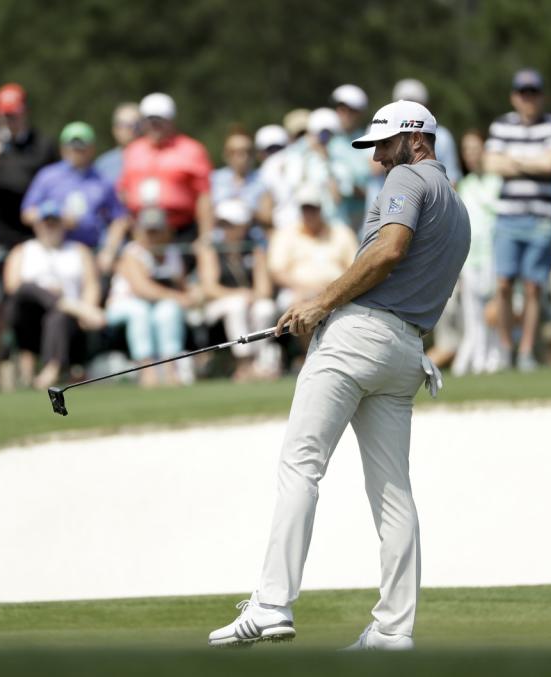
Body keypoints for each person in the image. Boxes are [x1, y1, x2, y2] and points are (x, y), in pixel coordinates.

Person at [208, 101, 470, 650]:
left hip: (357, 340)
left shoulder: (408, 175)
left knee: (301, 464)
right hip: (405, 355)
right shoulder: (460, 208)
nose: (376, 157)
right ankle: (395, 630)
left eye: (382, 143)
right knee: (394, 493)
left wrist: (320, 301)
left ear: (415, 138)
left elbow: (390, 250)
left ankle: (272, 604)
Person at [0, 83, 59, 387]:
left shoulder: (42, 146)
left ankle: (31, 372)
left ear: (25, 113)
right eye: (3, 116)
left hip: (31, 240)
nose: (8, 122)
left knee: (28, 305)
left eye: (14, 115)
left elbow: (53, 187)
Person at [485, 68, 551, 371]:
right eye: (523, 93)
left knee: (534, 287)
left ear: (541, 96)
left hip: (542, 217)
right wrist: (534, 163)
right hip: (508, 217)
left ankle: (526, 351)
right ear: (514, 97)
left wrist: (515, 161)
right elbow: (491, 163)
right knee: (504, 284)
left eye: (533, 93)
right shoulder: (501, 125)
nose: (528, 98)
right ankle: (507, 348)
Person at [3, 201, 105, 390]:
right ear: (37, 225)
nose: (50, 227)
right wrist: (57, 298)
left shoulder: (79, 251)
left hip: (69, 322)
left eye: (54, 222)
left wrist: (86, 306)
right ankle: (64, 303)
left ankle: (51, 369)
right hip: (29, 319)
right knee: (27, 288)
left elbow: (91, 285)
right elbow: (13, 287)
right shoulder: (22, 251)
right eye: (45, 223)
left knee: (58, 314)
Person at [21, 121, 129, 273]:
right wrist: (57, 217)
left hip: (92, 252)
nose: (77, 151)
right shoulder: (48, 176)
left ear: (92, 149)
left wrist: (109, 251)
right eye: (72, 146)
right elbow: (27, 212)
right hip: (55, 250)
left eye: (82, 147)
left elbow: (120, 219)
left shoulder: (102, 181)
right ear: (63, 148)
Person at [105, 208, 195, 387]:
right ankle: (147, 370)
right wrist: (179, 297)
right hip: (123, 304)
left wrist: (192, 294)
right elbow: (142, 289)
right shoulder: (132, 252)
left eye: (157, 230)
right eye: (149, 231)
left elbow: (182, 285)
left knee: (168, 310)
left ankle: (170, 368)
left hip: (157, 305)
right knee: (140, 311)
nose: (152, 236)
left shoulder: (172, 253)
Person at [117, 93, 214, 254]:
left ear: (171, 121)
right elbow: (124, 191)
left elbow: (204, 195)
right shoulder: (133, 150)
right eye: (150, 121)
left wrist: (206, 236)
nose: (155, 126)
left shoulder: (192, 150)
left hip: (181, 231)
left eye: (159, 122)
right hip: (141, 231)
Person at [197, 199, 278, 381]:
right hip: (216, 308)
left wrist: (250, 296)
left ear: (243, 226)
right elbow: (209, 289)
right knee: (237, 305)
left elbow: (264, 289)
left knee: (265, 307)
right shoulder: (211, 248)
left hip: (248, 302)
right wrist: (240, 295)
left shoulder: (254, 249)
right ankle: (244, 364)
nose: (226, 230)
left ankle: (259, 363)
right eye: (223, 224)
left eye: (230, 225)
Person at [366, 79, 463, 215]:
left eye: (414, 102)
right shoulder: (378, 126)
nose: (378, 156)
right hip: (379, 214)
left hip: (417, 215)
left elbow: (452, 181)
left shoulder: (443, 136)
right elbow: (373, 167)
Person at [452, 130, 502, 376]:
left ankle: (494, 357)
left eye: (475, 149)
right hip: (470, 257)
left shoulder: (497, 182)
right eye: (467, 150)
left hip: (494, 254)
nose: (471, 155)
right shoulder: (464, 185)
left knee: (493, 311)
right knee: (472, 315)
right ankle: (478, 360)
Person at [267, 184, 358, 312]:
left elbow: (354, 268)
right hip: (296, 291)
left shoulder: (341, 232)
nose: (309, 213)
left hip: (337, 292)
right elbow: (277, 272)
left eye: (313, 208)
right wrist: (306, 288)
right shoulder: (285, 234)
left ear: (320, 209)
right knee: (291, 302)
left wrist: (333, 290)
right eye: (305, 208)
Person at [259, 108, 351, 231]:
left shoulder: (340, 163)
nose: (323, 139)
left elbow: (337, 198)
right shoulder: (286, 160)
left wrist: (325, 160)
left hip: (331, 228)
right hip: (296, 227)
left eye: (328, 134)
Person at [328, 84, 373, 232]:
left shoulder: (370, 142)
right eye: (341, 108)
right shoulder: (328, 141)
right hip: (331, 224)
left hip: (363, 222)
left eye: (351, 110)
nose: (345, 114)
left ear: (360, 113)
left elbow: (373, 185)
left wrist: (350, 189)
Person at [210, 129, 265, 218]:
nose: (244, 157)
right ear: (226, 154)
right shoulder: (213, 179)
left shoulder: (263, 179)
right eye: (237, 152)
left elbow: (267, 216)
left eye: (248, 152)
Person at [94, 102, 142, 187]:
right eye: (123, 125)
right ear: (114, 129)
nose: (129, 130)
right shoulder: (103, 165)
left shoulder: (158, 159)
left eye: (135, 125)